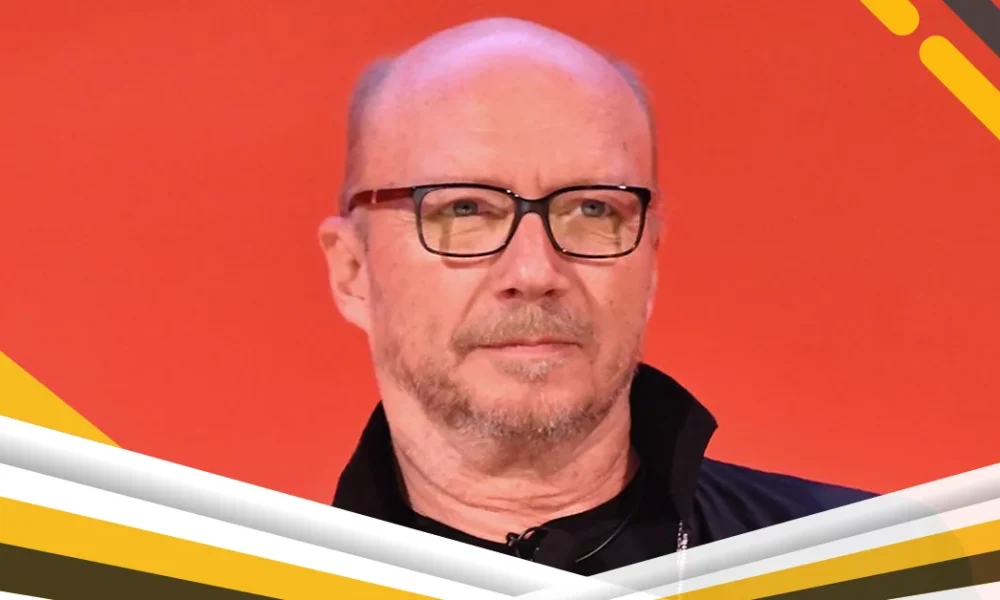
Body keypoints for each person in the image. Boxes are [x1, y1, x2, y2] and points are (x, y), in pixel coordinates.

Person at [318, 17, 874, 575]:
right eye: (464, 209)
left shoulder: (869, 570)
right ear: (352, 272)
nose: (535, 271)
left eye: (592, 209)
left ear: (650, 265)